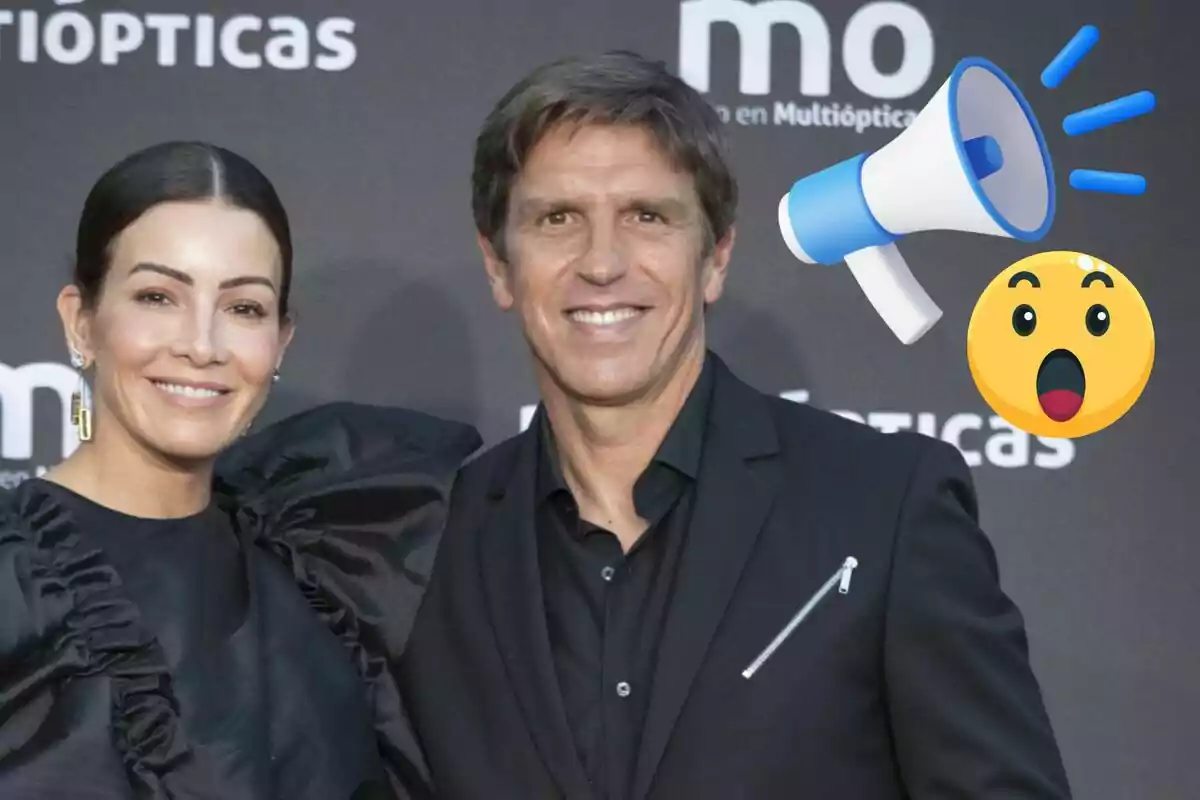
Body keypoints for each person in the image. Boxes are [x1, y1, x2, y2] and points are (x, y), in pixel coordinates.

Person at [397, 51, 1073, 798]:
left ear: (715, 256)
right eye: (558, 219)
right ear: (499, 265)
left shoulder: (883, 508)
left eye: (647, 217)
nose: (602, 263)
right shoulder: (430, 546)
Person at [0, 141, 480, 799]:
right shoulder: (13, 584)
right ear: (80, 322)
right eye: (157, 296)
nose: (201, 345)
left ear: (281, 339)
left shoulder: (323, 565)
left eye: (243, 307)